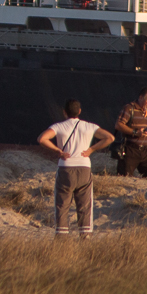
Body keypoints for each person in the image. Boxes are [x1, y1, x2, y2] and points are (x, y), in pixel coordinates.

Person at [39, 99, 113, 237]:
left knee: (62, 205)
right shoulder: (90, 126)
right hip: (84, 167)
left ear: (64, 112)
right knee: (85, 206)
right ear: (79, 111)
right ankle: (85, 237)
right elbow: (109, 137)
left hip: (65, 168)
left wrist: (58, 151)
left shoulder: (59, 126)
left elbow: (42, 138)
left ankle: (61, 237)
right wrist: (91, 149)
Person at [113, 88, 147, 180]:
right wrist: (135, 132)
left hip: (145, 150)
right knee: (124, 179)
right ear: (140, 97)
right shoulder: (129, 108)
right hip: (130, 149)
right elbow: (118, 125)